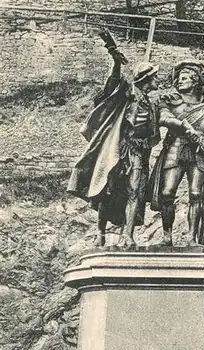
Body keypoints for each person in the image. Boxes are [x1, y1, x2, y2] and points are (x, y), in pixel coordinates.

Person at [67, 30, 160, 248]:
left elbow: (156, 128)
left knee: (135, 191)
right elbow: (114, 82)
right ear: (146, 78)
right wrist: (114, 58)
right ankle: (99, 233)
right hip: (118, 148)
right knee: (106, 190)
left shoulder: (153, 104)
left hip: (139, 152)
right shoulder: (128, 91)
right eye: (154, 75)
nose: (157, 79)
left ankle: (126, 236)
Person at [150, 61, 204, 250]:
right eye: (179, 78)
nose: (180, 81)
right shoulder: (170, 100)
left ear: (195, 82)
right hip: (175, 148)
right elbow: (163, 118)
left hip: (199, 154)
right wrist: (182, 126)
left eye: (185, 78)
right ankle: (166, 237)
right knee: (166, 193)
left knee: (196, 194)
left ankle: (191, 238)